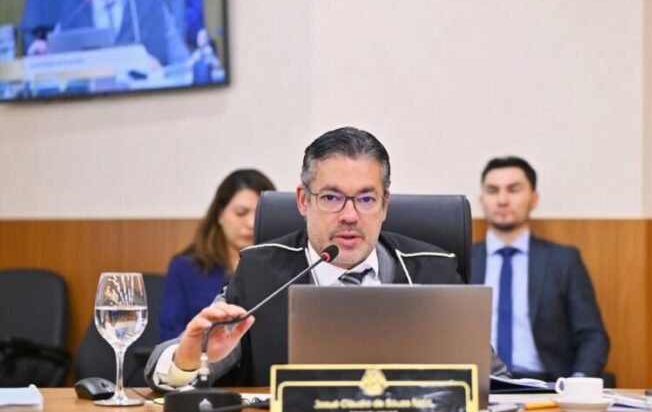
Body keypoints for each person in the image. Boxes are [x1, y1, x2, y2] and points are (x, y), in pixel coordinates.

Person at [145, 127, 508, 391]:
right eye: (332, 198)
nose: (350, 215)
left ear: (385, 205)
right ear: (304, 201)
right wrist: (186, 360)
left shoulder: (432, 269)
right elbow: (182, 368)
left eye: (366, 199)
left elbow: (494, 382)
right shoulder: (261, 272)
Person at [472, 156, 609, 381]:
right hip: (478, 384)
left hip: (546, 384)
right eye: (493, 191)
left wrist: (577, 383)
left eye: (513, 190)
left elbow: (592, 336)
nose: (502, 200)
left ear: (534, 199)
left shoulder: (563, 261)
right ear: (482, 200)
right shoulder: (461, 260)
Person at [159, 169, 276, 341]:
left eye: (260, 214)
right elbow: (169, 337)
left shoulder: (283, 267)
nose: (251, 223)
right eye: (241, 213)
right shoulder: (184, 268)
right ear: (220, 214)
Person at [27, 0, 189, 66]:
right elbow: (55, 61)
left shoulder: (151, 1)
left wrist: (159, 74)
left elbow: (183, 66)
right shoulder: (75, 7)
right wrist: (44, 54)